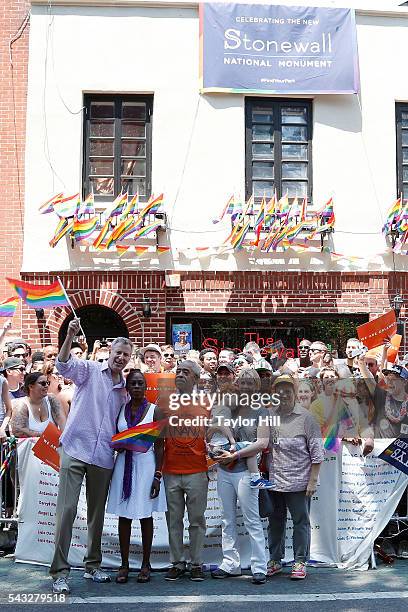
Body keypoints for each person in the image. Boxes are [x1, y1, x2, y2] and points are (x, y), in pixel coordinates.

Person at [49, 319, 132, 595]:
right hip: (75, 448)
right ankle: (60, 572)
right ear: (110, 353)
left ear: (130, 360)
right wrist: (70, 335)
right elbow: (63, 366)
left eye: (126, 355)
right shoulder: (90, 370)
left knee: (97, 515)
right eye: (118, 352)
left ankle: (92, 565)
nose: (120, 358)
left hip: (104, 455)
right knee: (67, 511)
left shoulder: (126, 391)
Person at [106, 370, 166, 583]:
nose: (137, 387)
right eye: (133, 384)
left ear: (146, 387)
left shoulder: (154, 411)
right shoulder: (121, 409)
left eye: (141, 383)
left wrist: (158, 475)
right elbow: (115, 436)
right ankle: (124, 565)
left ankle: (145, 564)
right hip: (124, 465)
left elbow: (160, 446)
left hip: (146, 465)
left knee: (145, 515)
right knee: (124, 516)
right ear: (128, 388)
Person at [211, 369, 270, 584]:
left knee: (252, 520)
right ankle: (230, 563)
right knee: (227, 520)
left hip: (246, 472)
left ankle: (259, 567)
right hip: (225, 471)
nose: (245, 387)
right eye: (242, 383)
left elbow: (262, 443)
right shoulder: (230, 407)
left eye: (250, 383)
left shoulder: (262, 411)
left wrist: (234, 453)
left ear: (256, 387)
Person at [266, 375, 324, 581]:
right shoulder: (270, 415)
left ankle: (300, 561)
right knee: (275, 522)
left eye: (288, 389)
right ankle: (275, 560)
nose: (284, 393)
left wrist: (313, 480)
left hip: (300, 482)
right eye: (280, 390)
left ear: (295, 392)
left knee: (300, 522)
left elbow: (317, 452)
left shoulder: (307, 418)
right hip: (275, 481)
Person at [160, 360, 208, 582]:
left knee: (197, 520)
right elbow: (157, 437)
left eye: (185, 372)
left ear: (196, 379)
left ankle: (196, 563)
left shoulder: (207, 402)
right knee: (174, 520)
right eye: (178, 371)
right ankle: (177, 562)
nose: (179, 374)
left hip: (197, 470)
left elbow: (213, 434)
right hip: (170, 469)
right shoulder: (163, 401)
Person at [10, 372, 66, 437]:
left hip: (53, 445)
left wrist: (63, 437)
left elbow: (62, 422)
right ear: (31, 386)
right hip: (30, 446)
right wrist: (44, 436)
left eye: (48, 383)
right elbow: (18, 430)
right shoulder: (21, 405)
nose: (46, 386)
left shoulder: (52, 399)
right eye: (43, 383)